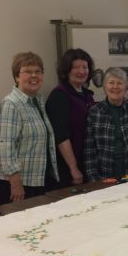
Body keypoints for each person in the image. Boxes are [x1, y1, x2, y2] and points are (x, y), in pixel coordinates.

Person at [0, 52, 59, 256]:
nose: (33, 76)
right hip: (14, 182)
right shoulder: (11, 103)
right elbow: (5, 145)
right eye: (27, 71)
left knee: (33, 236)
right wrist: (15, 183)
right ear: (16, 76)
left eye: (38, 71)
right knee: (16, 237)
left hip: (36, 177)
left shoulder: (37, 101)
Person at [84, 67, 128, 180]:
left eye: (120, 83)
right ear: (105, 86)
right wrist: (95, 180)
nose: (115, 87)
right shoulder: (95, 112)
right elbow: (90, 150)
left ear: (126, 87)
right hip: (105, 175)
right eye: (111, 82)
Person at [45, 48, 96, 188]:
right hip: (67, 168)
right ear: (66, 70)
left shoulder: (87, 95)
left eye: (84, 67)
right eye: (76, 67)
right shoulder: (60, 96)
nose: (81, 71)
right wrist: (73, 168)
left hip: (86, 162)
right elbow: (61, 136)